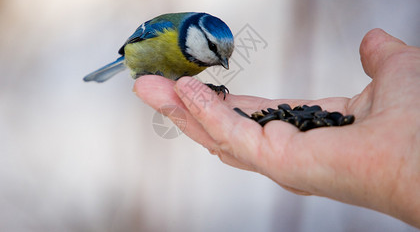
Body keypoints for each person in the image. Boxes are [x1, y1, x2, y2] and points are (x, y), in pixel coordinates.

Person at [134, 28, 420, 228]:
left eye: (225, 55)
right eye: (214, 50)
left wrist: (402, 159)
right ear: (195, 34)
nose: (222, 62)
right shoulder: (169, 33)